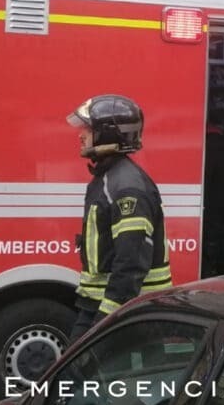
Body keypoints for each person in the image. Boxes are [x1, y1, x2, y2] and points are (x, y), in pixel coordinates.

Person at [66, 94, 173, 342]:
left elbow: (130, 263)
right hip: (104, 304)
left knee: (78, 366)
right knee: (74, 365)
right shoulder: (109, 178)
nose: (81, 135)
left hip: (128, 309)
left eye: (87, 129)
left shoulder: (126, 187)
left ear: (107, 134)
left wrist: (105, 320)